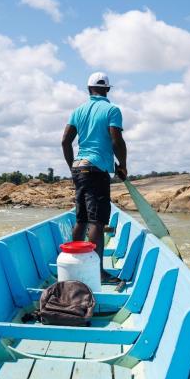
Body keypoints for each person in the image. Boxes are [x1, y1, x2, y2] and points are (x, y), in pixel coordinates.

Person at [61, 71, 127, 283]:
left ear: (89, 89)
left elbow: (65, 141)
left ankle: (74, 261)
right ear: (107, 90)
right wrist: (123, 165)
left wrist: (72, 166)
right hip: (97, 169)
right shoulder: (112, 110)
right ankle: (97, 272)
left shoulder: (78, 111)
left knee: (81, 219)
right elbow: (116, 140)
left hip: (79, 167)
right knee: (97, 221)